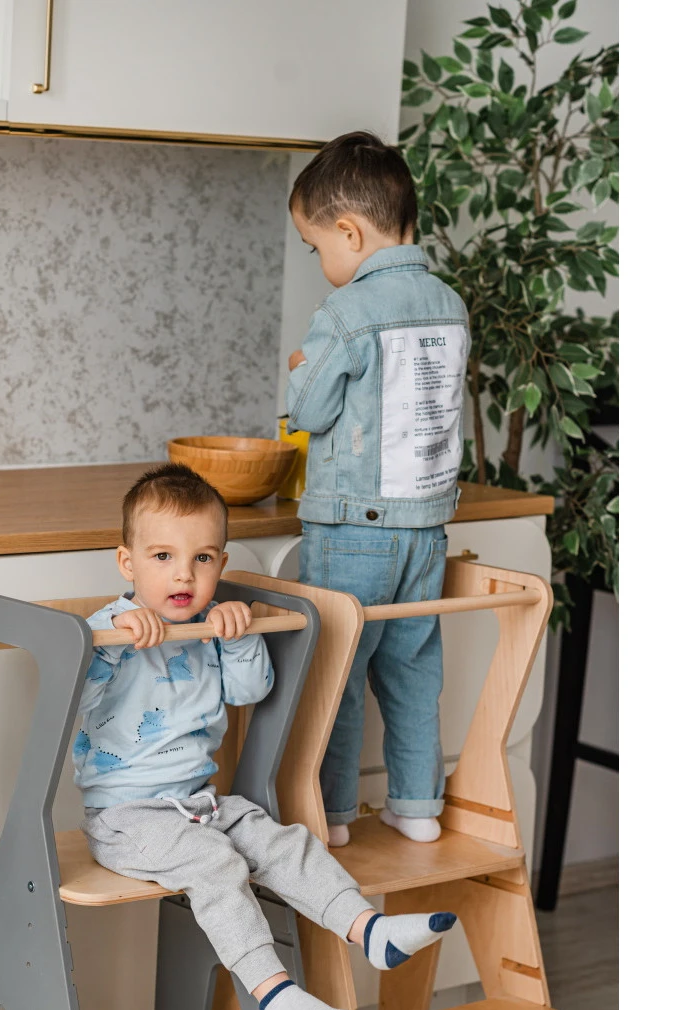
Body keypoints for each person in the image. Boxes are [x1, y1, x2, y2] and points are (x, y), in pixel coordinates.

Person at [75, 463, 456, 1010]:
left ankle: (369, 930)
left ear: (221, 563)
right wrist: (110, 641)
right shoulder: (109, 627)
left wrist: (240, 634)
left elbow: (249, 692)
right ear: (128, 563)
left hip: (199, 804)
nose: (184, 573)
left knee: (282, 841)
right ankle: (274, 995)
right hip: (125, 818)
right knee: (216, 863)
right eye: (163, 557)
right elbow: (75, 697)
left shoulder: (206, 627)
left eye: (203, 558)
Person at [285, 130, 470, 848]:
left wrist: (302, 369)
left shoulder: (346, 314)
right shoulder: (448, 304)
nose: (320, 261)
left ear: (349, 232)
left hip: (353, 531)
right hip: (426, 531)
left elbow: (309, 412)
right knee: (414, 670)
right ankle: (418, 807)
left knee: (337, 671)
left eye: (315, 247)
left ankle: (332, 815)